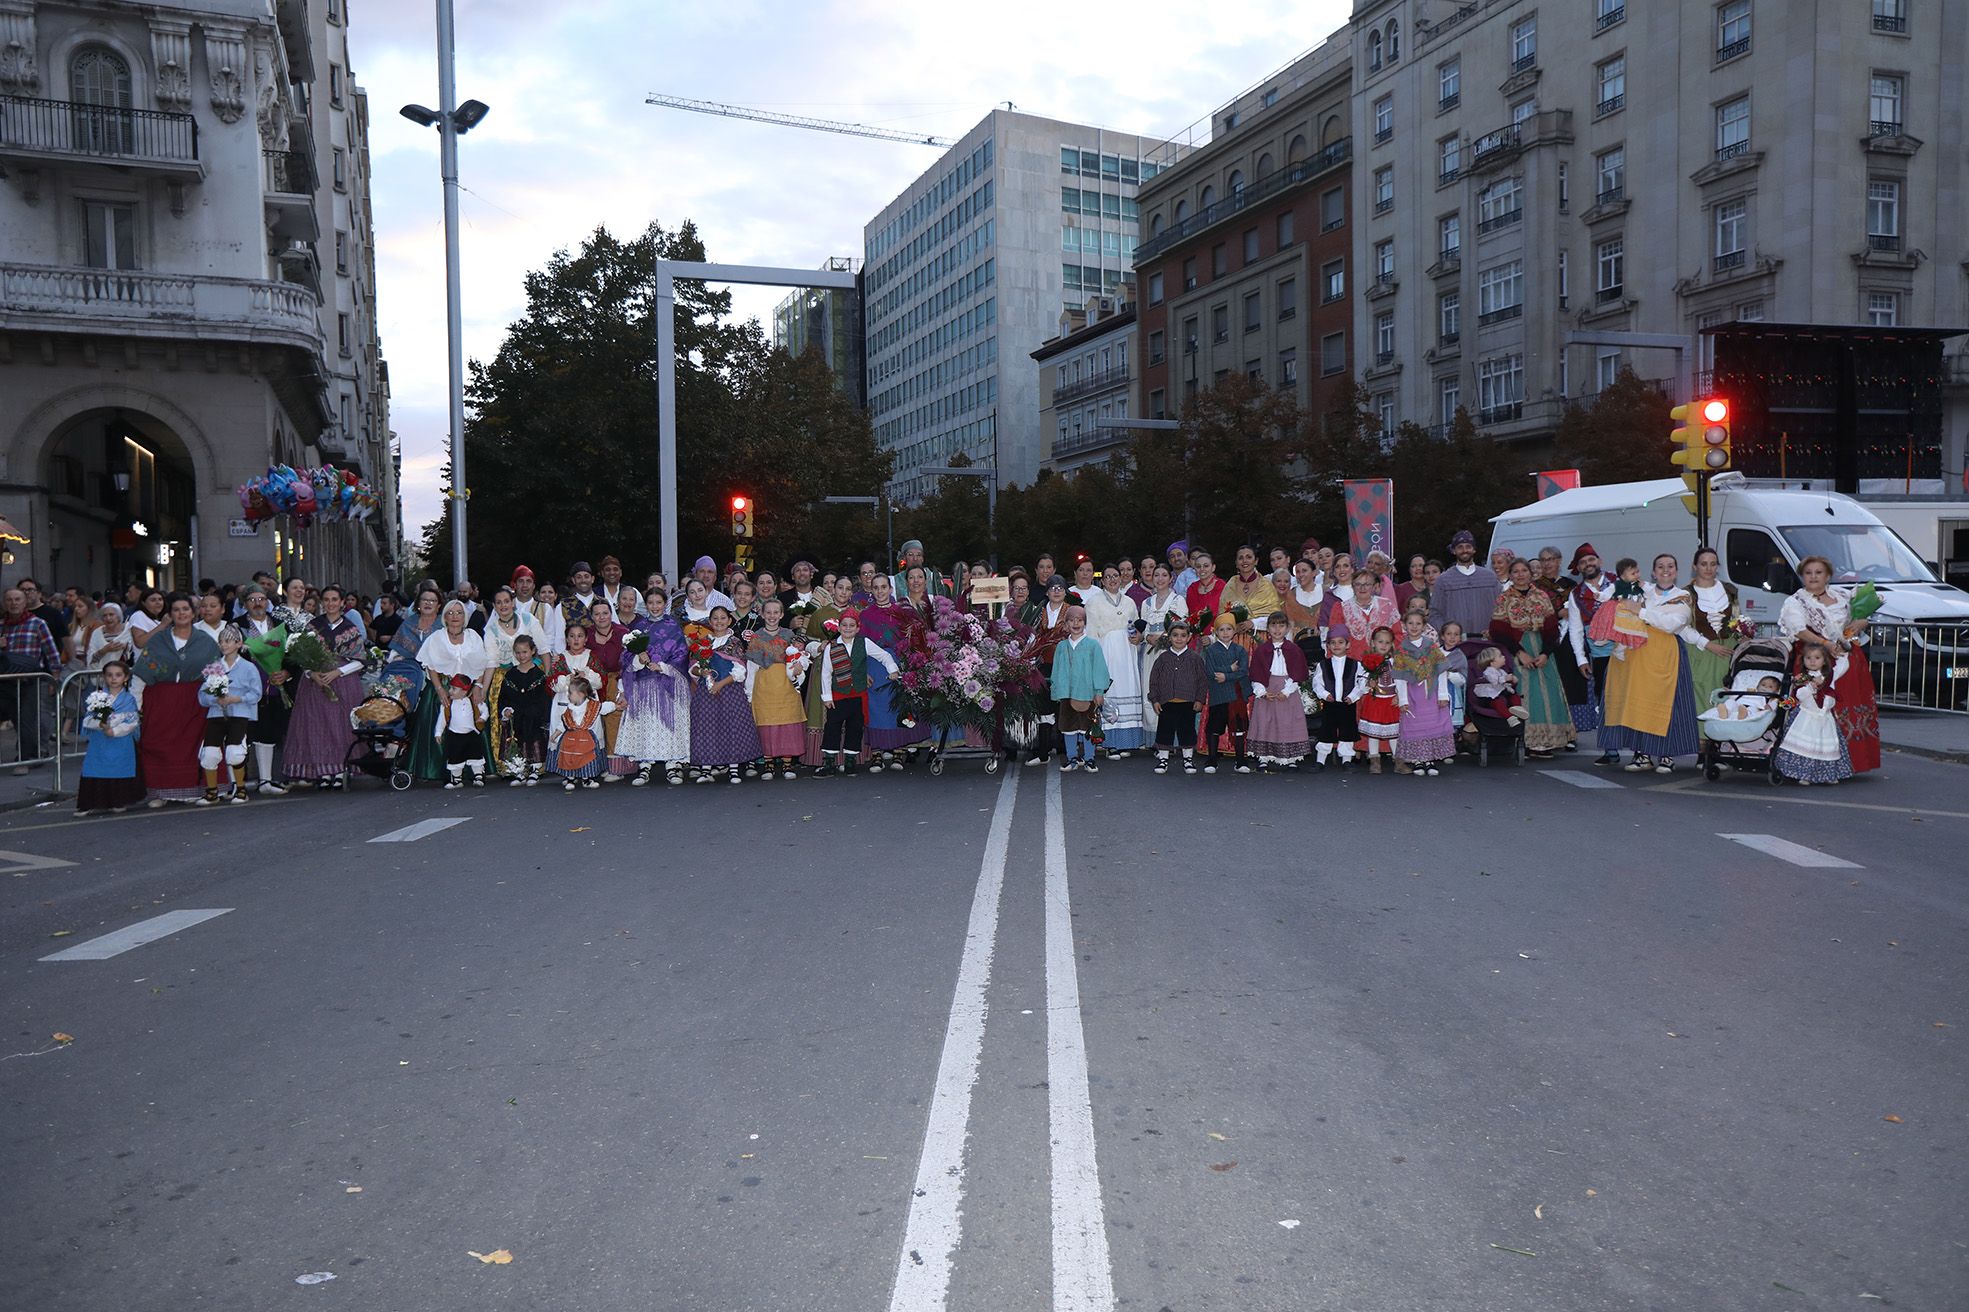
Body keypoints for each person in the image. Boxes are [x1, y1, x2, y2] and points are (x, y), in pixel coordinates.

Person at [1598, 553, 1700, 773]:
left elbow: (1673, 623)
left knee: (1666, 705)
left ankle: (1666, 755)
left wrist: (1641, 611)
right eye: (1661, 566)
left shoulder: (1683, 596)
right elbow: (1612, 597)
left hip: (1666, 656)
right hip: (1638, 654)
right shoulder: (1642, 589)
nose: (1666, 570)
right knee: (1638, 703)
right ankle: (1641, 753)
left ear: (1676, 571)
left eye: (1670, 566)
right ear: (1653, 571)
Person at [1777, 555, 1880, 775]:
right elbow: (1799, 631)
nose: (1813, 577)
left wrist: (1855, 628)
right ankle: (1815, 764)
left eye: (1818, 572)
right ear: (1802, 576)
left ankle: (1851, 761)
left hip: (1849, 659)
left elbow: (1857, 622)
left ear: (1828, 576)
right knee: (1819, 710)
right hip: (1816, 660)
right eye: (1808, 573)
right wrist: (1827, 644)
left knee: (1850, 706)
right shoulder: (1796, 601)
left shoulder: (1841, 596)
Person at [129, 594, 219, 805]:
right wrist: (136, 707)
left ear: (193, 613)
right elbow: (141, 675)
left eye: (185, 609)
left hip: (193, 704)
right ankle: (159, 792)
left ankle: (189, 790)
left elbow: (216, 675)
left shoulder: (206, 642)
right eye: (176, 610)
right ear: (169, 615)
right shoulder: (158, 641)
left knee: (189, 747)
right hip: (161, 701)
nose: (181, 613)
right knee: (157, 745)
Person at [282, 585, 366, 789]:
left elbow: (361, 660)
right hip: (315, 682)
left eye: (334, 599)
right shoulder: (313, 626)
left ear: (342, 603)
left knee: (339, 727)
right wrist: (312, 673)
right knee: (316, 727)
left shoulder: (350, 628)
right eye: (326, 600)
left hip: (342, 681)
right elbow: (301, 657)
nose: (330, 604)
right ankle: (322, 770)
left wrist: (338, 672)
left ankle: (339, 769)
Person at [1491, 559, 1574, 759]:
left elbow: (1552, 629)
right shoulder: (1504, 598)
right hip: (1517, 649)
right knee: (1522, 693)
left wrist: (1545, 653)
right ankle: (1524, 740)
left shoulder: (1541, 596)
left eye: (1524, 571)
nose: (1520, 575)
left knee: (1548, 692)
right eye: (1516, 571)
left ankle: (1546, 743)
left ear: (1530, 574)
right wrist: (1520, 653)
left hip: (1541, 649)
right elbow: (1498, 631)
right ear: (1510, 575)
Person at [615, 586, 692, 786]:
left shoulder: (673, 626)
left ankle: (672, 765)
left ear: (665, 604)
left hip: (667, 683)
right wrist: (638, 660)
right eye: (651, 603)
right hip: (644, 684)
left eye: (659, 602)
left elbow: (682, 653)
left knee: (669, 725)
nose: (655, 606)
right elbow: (625, 657)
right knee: (647, 725)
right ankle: (645, 766)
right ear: (646, 604)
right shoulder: (638, 627)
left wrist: (664, 667)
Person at [816, 608, 899, 777]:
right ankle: (829, 763)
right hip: (838, 694)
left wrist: (893, 670)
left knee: (855, 728)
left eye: (851, 625)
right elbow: (826, 672)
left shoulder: (864, 643)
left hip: (858, 695)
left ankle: (850, 763)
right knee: (832, 727)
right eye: (844, 625)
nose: (848, 628)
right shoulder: (831, 647)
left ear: (858, 628)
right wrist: (827, 697)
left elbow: (883, 655)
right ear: (839, 627)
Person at [687, 605, 762, 785]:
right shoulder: (703, 642)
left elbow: (740, 670)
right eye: (715, 618)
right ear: (710, 622)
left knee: (732, 728)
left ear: (729, 620)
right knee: (706, 728)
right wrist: (701, 672)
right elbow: (692, 667)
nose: (719, 621)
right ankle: (706, 769)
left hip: (729, 691)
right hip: (706, 692)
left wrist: (721, 683)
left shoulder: (734, 642)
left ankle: (734, 769)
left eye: (722, 618)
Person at [1082, 563, 1146, 757]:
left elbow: (1136, 627)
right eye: (1108, 576)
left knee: (1128, 690)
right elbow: (1091, 634)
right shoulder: (1094, 602)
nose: (1112, 579)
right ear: (1102, 581)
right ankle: (1110, 743)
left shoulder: (1128, 602)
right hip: (1106, 652)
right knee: (1111, 693)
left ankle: (1127, 742)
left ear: (1120, 578)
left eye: (1115, 576)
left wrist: (1138, 637)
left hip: (1127, 653)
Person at [480, 586, 543, 778]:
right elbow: (491, 662)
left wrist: (547, 678)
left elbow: (544, 649)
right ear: (495, 606)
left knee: (531, 720)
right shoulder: (490, 630)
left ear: (513, 602)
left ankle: (535, 763)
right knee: (505, 721)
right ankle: (508, 765)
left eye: (506, 601)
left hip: (531, 674)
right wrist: (482, 691)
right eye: (499, 602)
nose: (503, 605)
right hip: (503, 679)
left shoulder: (528, 620)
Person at [195, 623, 262, 804]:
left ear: (239, 644)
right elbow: (202, 695)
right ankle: (211, 791)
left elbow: (256, 693)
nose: (224, 645)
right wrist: (215, 699)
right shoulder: (214, 668)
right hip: (216, 714)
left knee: (234, 751)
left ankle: (240, 789)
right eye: (221, 641)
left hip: (239, 713)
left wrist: (236, 699)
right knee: (209, 752)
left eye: (228, 641)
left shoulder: (249, 667)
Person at [745, 597, 809, 780]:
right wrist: (749, 694)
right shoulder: (756, 637)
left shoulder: (790, 635)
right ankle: (769, 765)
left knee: (788, 724)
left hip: (786, 686)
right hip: (764, 686)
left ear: (781, 614)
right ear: (763, 614)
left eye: (776, 612)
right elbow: (751, 666)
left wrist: (799, 667)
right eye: (768, 612)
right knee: (767, 726)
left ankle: (788, 765)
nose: (772, 616)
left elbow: (799, 658)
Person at [1772, 644, 1852, 785]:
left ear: (1824, 660)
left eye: (1817, 658)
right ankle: (1804, 774)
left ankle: (1829, 774)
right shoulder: (1801, 678)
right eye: (1808, 658)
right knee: (1805, 745)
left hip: (1824, 717)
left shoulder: (1829, 675)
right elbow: (1799, 695)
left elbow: (1842, 667)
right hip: (1806, 716)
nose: (1812, 661)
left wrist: (1843, 654)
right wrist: (1810, 687)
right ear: (1803, 661)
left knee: (1826, 745)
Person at [2, 586, 62, 771]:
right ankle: (32, 753)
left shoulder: (37, 623)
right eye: (10, 600)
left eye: (17, 599)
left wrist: (55, 677)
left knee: (26, 719)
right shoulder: (1, 625)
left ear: (25, 602)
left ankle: (24, 759)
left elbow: (51, 652)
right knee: (15, 719)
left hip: (30, 680)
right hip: (5, 682)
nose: (14, 603)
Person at [1565, 544, 1615, 754]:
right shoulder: (1576, 594)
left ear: (1599, 561)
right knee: (1605, 699)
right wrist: (1581, 660)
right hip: (1600, 654)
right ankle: (1610, 749)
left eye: (1591, 560)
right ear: (1579, 568)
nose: (1588, 564)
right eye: (1583, 562)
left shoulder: (1618, 581)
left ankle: (1641, 750)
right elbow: (1575, 630)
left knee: (1632, 696)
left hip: (1628, 649)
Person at [1681, 546, 1743, 715]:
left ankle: (1720, 738)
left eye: (1713, 564)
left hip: (1728, 651)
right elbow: (1682, 626)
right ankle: (1701, 740)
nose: (1708, 568)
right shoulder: (1686, 594)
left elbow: (1736, 618)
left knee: (1727, 694)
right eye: (1703, 564)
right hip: (1700, 651)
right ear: (1695, 567)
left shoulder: (1730, 590)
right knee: (1700, 695)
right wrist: (1707, 644)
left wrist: (1742, 635)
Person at [1392, 610, 1455, 776]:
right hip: (1413, 694)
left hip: (1431, 692)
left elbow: (1441, 670)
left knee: (1431, 724)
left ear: (1424, 626)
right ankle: (1418, 760)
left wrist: (1442, 695)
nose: (1414, 627)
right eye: (1410, 623)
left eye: (1418, 623)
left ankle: (1430, 759)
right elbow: (1399, 678)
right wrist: (1403, 699)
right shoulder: (1401, 650)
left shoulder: (1431, 646)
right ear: (1404, 626)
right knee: (1415, 725)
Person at [1049, 604, 1110, 773]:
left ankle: (1089, 758)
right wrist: (1056, 690)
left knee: (1088, 727)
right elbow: (1056, 670)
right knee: (1068, 728)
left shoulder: (1092, 645)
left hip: (1087, 694)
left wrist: (1099, 692)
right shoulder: (1061, 647)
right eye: (1071, 620)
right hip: (1067, 694)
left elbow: (1099, 669)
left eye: (1080, 620)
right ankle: (1072, 758)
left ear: (1085, 623)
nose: (1076, 623)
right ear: (1066, 624)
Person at [76, 658, 142, 814]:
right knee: (94, 769)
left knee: (119, 769)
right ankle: (87, 803)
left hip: (121, 741)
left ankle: (118, 800)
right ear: (104, 677)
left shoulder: (129, 700)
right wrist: (100, 724)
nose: (114, 679)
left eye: (118, 675)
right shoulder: (97, 698)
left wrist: (114, 730)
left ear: (125, 678)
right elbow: (88, 719)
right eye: (110, 675)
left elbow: (132, 722)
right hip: (100, 742)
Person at [1247, 612, 1311, 771]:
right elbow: (1256, 673)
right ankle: (1263, 757)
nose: (1277, 629)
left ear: (1287, 628)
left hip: (1286, 690)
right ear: (1268, 628)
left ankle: (1290, 758)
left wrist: (1287, 690)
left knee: (1287, 722)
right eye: (1273, 625)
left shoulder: (1294, 650)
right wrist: (1261, 692)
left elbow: (1297, 674)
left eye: (1281, 626)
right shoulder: (1262, 651)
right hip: (1267, 689)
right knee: (1265, 721)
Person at [1146, 619, 1206, 775]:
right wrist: (1155, 699)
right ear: (1169, 637)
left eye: (1183, 635)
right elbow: (1154, 680)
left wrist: (1199, 699)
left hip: (1188, 702)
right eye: (1175, 635)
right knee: (1165, 730)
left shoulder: (1195, 658)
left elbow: (1202, 681)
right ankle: (1163, 759)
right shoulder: (1163, 659)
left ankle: (1188, 759)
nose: (1179, 639)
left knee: (1187, 731)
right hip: (1167, 702)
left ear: (1189, 637)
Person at [1201, 612, 1250, 774]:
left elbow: (1243, 671)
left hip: (1237, 695)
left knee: (1238, 727)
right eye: (1221, 630)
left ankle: (1241, 760)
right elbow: (1210, 672)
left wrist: (1226, 676)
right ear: (1215, 632)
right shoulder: (1211, 650)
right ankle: (1212, 759)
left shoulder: (1240, 650)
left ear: (1234, 631)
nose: (1225, 633)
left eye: (1229, 629)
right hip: (1219, 694)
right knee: (1215, 726)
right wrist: (1229, 669)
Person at [1309, 630, 1365, 770]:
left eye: (1340, 642)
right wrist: (1324, 694)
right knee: (1326, 731)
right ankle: (1320, 760)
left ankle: (1346, 760)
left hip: (1347, 703)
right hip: (1330, 703)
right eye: (1332, 643)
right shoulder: (1323, 665)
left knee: (1347, 732)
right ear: (1328, 645)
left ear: (1348, 645)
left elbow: (1362, 683)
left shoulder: (1355, 665)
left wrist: (1353, 696)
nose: (1336, 645)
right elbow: (1317, 683)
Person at [1428, 530, 1498, 642]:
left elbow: (1501, 610)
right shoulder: (1444, 580)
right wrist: (1448, 633)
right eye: (1460, 547)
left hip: (1486, 643)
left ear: (1474, 549)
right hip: (1456, 646)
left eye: (1468, 546)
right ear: (1454, 551)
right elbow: (1435, 613)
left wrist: (1495, 630)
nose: (1464, 550)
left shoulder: (1490, 578)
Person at [500, 635, 551, 785]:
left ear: (533, 651)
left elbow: (544, 698)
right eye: (518, 652)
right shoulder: (511, 674)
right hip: (517, 716)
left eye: (525, 652)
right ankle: (520, 770)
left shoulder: (539, 675)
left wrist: (541, 715)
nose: (521, 656)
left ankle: (535, 770)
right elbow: (504, 696)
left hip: (534, 716)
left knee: (535, 741)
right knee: (518, 741)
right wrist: (506, 709)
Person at [1356, 627, 1407, 774]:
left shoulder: (1395, 662)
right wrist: (1367, 685)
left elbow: (1401, 681)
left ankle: (1398, 760)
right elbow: (1360, 680)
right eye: (1380, 642)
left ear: (1392, 645)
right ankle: (1374, 760)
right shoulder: (1366, 662)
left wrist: (1399, 696)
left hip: (1390, 702)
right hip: (1375, 701)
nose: (1383, 645)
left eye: (1387, 642)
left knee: (1393, 733)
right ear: (1373, 643)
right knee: (1374, 733)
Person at [553, 674, 612, 790]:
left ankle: (587, 779)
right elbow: (564, 723)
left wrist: (616, 706)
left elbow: (605, 707)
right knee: (570, 758)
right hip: (571, 739)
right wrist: (556, 734)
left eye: (570, 693)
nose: (568, 695)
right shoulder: (570, 708)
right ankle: (570, 778)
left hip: (586, 740)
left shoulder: (593, 706)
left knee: (587, 758)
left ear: (580, 694)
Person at [1137, 563, 1187, 693]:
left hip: (1171, 650)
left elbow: (1183, 627)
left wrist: (1164, 638)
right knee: (1150, 687)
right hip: (1150, 651)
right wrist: (1148, 637)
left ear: (1171, 579)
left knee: (1169, 688)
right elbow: (1145, 626)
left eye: (1164, 575)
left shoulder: (1178, 600)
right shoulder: (1146, 603)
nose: (1160, 579)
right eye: (1156, 575)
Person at [1589, 559, 1651, 657]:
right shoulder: (1617, 585)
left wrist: (1644, 587)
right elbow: (1607, 594)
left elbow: (1651, 593)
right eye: (1633, 573)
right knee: (1610, 614)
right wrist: (1599, 595)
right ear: (1622, 576)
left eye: (1637, 572)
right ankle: (1604, 636)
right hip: (1621, 611)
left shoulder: (1641, 585)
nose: (1637, 575)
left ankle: (1620, 649)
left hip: (1633, 612)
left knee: (1631, 630)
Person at [1334, 570, 1399, 661]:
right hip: (1352, 663)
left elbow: (1398, 635)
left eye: (1367, 584)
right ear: (1352, 586)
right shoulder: (1341, 608)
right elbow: (1335, 638)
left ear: (1374, 587)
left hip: (1383, 662)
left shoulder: (1387, 605)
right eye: (1358, 584)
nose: (1362, 588)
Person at [1220, 546, 1282, 637]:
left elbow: (1276, 618)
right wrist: (1232, 626)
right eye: (1241, 558)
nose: (1244, 561)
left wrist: (1253, 623)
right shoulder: (1230, 586)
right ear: (1236, 563)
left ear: (1256, 561)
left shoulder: (1266, 585)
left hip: (1261, 639)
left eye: (1249, 557)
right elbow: (1221, 617)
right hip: (1233, 640)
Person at [84, 602, 137, 671]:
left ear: (118, 616)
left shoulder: (129, 630)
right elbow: (90, 660)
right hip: (100, 676)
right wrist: (104, 650)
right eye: (104, 615)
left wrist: (126, 647)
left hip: (125, 674)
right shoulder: (97, 633)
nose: (108, 618)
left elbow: (136, 652)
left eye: (111, 614)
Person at [1184, 550, 1226, 626]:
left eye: (1206, 566)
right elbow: (1191, 615)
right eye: (1198, 566)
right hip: (1197, 633)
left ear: (1213, 567)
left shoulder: (1222, 586)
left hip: (1218, 632)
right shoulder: (1192, 588)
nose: (1202, 569)